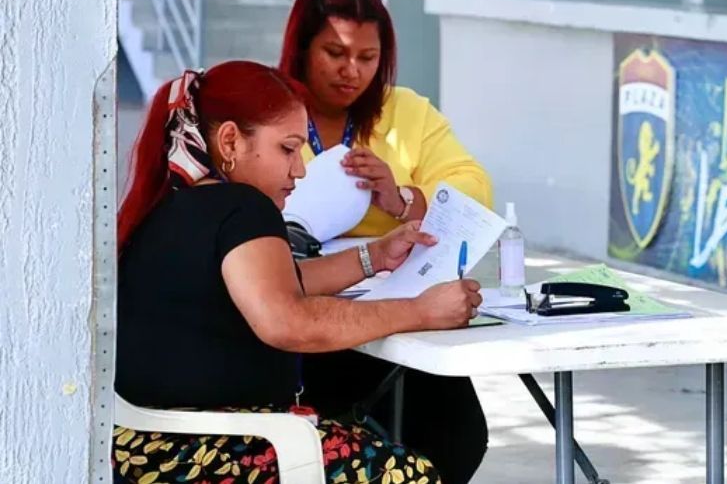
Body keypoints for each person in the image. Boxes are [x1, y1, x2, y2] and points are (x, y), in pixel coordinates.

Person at [114, 61, 484, 484]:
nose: (300, 170)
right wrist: (420, 311)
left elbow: (277, 284)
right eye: (287, 149)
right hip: (210, 451)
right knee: (411, 474)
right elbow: (288, 321)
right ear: (231, 140)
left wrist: (374, 256)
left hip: (146, 448)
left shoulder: (175, 205)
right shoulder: (242, 206)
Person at [277, 0, 492, 484]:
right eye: (335, 52)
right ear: (301, 49)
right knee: (332, 437)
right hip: (302, 312)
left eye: (368, 58)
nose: (352, 72)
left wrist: (403, 200)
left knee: (456, 436)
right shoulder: (268, 108)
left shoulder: (406, 111)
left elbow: (474, 187)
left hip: (398, 307)